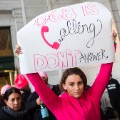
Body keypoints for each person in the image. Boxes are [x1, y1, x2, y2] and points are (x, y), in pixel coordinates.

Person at [14, 32, 117, 120]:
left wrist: (111, 44)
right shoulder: (57, 103)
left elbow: (105, 71)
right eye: (71, 84)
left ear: (84, 83)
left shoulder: (92, 96)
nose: (77, 88)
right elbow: (38, 84)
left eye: (79, 83)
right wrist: (23, 58)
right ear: (64, 85)